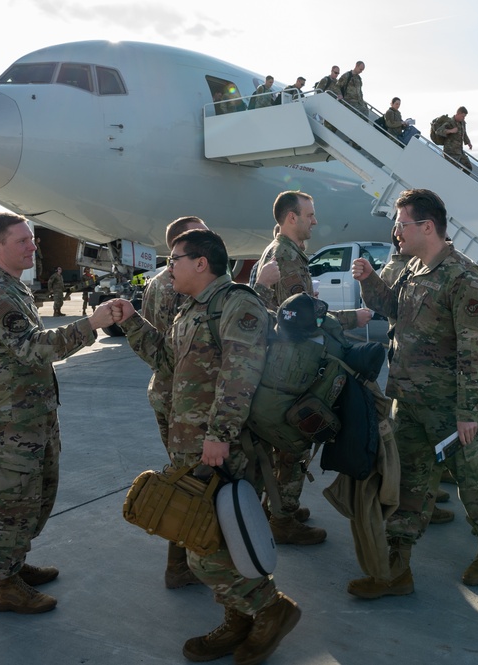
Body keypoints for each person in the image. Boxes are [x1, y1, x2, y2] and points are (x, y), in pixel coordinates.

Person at [116, 229, 301, 663]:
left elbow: (242, 373)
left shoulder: (237, 303)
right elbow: (166, 360)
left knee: (206, 549)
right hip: (192, 446)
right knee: (216, 540)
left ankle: (271, 610)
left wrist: (219, 434)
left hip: (222, 448)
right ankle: (240, 621)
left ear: (201, 262)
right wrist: (129, 319)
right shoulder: (190, 309)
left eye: (175, 259)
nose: (168, 268)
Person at [349, 188, 478, 595]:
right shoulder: (412, 267)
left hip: (451, 409)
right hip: (410, 401)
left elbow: (476, 348)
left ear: (427, 226)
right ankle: (397, 569)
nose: (396, 232)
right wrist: (368, 281)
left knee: (472, 481)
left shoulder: (464, 277)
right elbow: (393, 308)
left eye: (401, 225)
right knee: (408, 483)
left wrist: (468, 410)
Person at [0, 212, 117, 614]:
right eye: (22, 241)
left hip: (33, 415)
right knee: (11, 502)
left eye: (31, 239)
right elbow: (33, 347)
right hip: (10, 422)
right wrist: (92, 324)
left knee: (35, 498)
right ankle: (4, 584)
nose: (34, 246)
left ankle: (13, 566)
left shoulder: (13, 287)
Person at [254, 191, 370, 545]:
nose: (314, 221)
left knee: (279, 442)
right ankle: (283, 518)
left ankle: (273, 507)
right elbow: (305, 319)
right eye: (309, 215)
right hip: (291, 368)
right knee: (295, 440)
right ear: (292, 218)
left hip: (280, 364)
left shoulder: (281, 253)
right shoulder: (286, 257)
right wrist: (354, 317)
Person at [139, 216, 208, 589]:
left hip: (167, 390)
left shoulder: (154, 284)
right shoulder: (181, 286)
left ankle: (183, 561)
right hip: (185, 396)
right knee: (191, 482)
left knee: (186, 478)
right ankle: (181, 565)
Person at [436, 106, 473, 173]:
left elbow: (464, 133)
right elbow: (438, 131)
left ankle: (462, 181)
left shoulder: (462, 123)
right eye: (462, 116)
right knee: (453, 171)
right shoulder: (450, 122)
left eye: (464, 117)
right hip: (451, 153)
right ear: (458, 113)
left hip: (459, 152)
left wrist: (468, 142)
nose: (463, 118)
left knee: (468, 168)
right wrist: (450, 131)